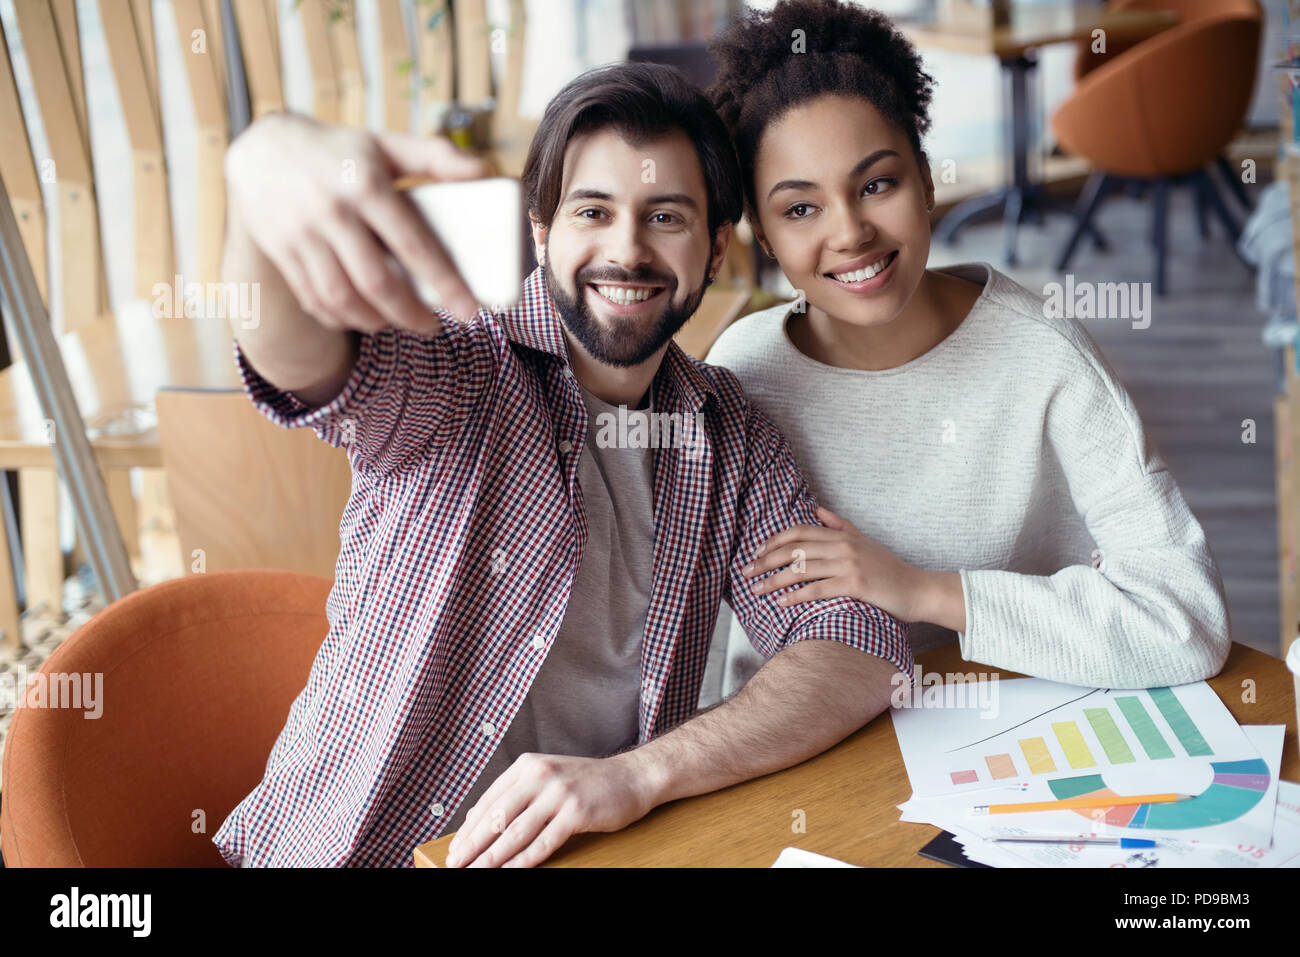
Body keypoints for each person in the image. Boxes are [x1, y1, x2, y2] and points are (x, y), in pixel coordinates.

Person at [214, 61, 911, 868]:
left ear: (717, 246)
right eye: (593, 210)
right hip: (353, 852)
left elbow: (856, 644)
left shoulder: (728, 433)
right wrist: (259, 169)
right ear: (542, 229)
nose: (627, 249)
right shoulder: (460, 366)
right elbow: (293, 355)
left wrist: (640, 774)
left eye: (666, 216)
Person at [703, 0, 1230, 698]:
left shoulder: (1042, 357)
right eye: (801, 208)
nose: (851, 231)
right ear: (764, 237)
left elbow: (1186, 620)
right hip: (806, 759)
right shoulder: (741, 372)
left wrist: (924, 590)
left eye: (877, 184)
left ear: (925, 179)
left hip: (1011, 747)